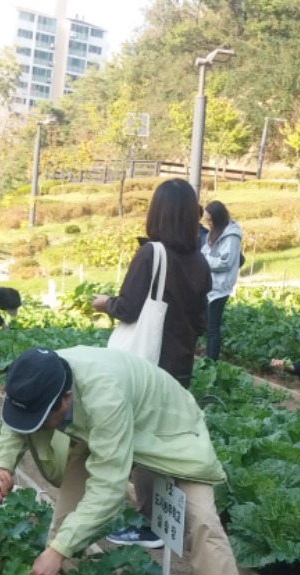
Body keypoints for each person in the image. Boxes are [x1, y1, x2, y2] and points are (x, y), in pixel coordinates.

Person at [0, 346, 246, 575]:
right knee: (64, 524)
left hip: (168, 430)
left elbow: (108, 487)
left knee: (203, 522)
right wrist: (2, 464)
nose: (33, 425)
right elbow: (16, 421)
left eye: (39, 419)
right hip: (98, 431)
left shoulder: (104, 396)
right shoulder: (38, 375)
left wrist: (59, 550)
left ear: (66, 398)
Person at [90, 178, 211, 549]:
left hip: (145, 365)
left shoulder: (151, 254)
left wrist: (103, 302)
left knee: (140, 442)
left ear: (157, 213)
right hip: (179, 365)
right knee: (161, 440)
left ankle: (150, 523)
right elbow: (204, 322)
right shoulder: (200, 263)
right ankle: (162, 521)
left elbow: (127, 308)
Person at [200, 200, 242, 362]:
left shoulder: (232, 236)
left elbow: (225, 262)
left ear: (218, 218)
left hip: (220, 288)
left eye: (210, 220)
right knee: (207, 326)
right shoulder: (213, 232)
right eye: (206, 220)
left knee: (212, 328)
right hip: (210, 286)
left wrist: (205, 261)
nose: (208, 223)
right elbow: (204, 251)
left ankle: (212, 362)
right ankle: (209, 359)